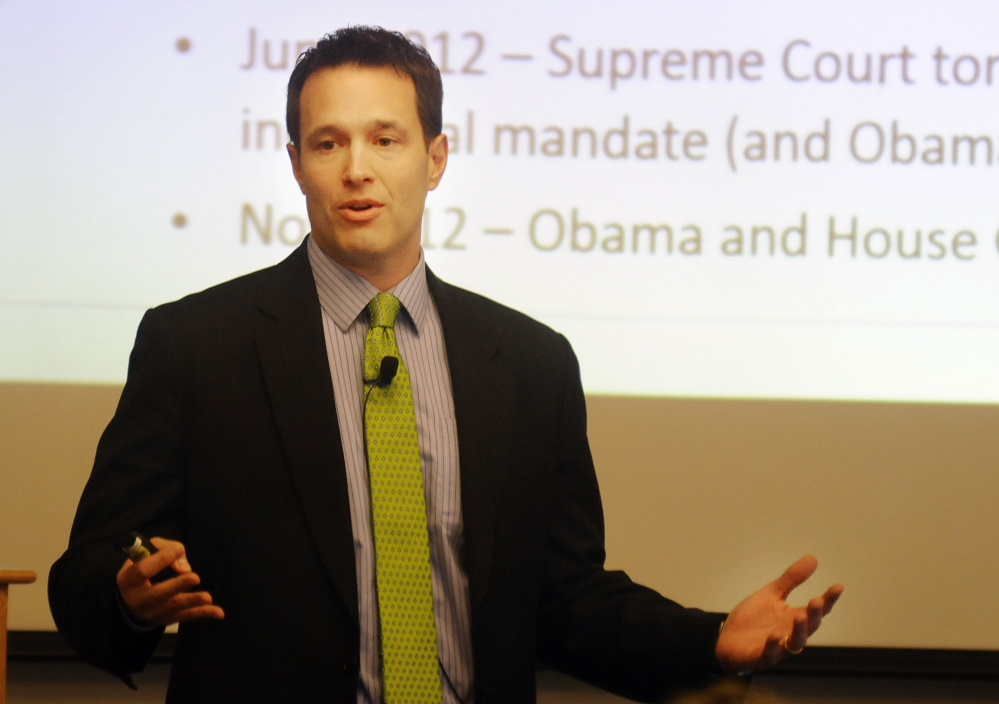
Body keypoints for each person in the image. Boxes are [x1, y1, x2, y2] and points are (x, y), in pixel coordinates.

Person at [49, 26, 842, 704]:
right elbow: (85, 575)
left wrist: (710, 643)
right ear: (296, 164)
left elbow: (563, 601)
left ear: (434, 159)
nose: (357, 168)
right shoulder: (196, 347)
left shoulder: (530, 364)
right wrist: (126, 599)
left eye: (385, 139)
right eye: (329, 143)